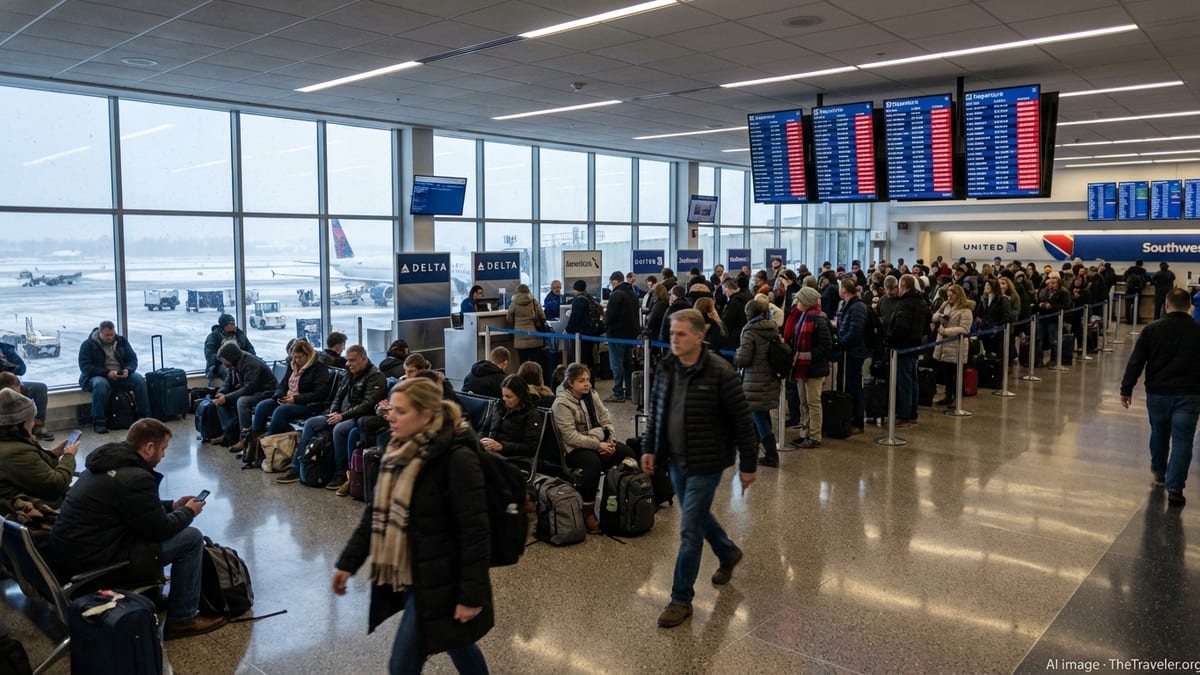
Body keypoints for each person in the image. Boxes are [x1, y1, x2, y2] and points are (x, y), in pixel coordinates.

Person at [333, 379, 492, 674]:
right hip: (412, 570)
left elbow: (475, 532)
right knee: (457, 642)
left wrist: (471, 596)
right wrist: (348, 562)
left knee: (402, 666)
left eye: (401, 411)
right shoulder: (397, 451)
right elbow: (376, 513)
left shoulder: (457, 458)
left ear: (427, 416)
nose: (390, 416)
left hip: (442, 578)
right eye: (392, 409)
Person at [46, 419, 226, 640]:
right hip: (96, 564)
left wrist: (172, 506)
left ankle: (157, 594)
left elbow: (137, 508)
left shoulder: (108, 464)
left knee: (161, 530)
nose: (163, 456)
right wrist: (189, 512)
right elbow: (160, 529)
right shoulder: (136, 477)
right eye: (163, 449)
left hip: (74, 556)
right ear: (149, 447)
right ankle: (183, 619)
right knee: (191, 538)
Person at [640, 309, 757, 628]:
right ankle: (728, 551)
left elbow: (743, 422)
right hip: (675, 460)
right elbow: (656, 413)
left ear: (698, 336)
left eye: (680, 334)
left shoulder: (721, 373)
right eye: (671, 334)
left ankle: (681, 599)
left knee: (689, 529)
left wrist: (748, 464)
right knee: (698, 515)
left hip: (707, 462)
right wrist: (648, 448)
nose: (673, 339)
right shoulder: (666, 368)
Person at [1120, 288, 1200, 508]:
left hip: (1157, 392)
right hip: (1189, 394)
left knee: (1159, 432)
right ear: (1189, 306)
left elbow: (1137, 361)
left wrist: (1126, 388)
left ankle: (1159, 472)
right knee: (1183, 440)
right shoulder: (1197, 330)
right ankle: (1175, 489)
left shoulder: (1152, 329)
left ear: (1166, 305)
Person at [276, 345, 388, 492]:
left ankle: (341, 473)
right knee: (311, 423)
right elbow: (338, 396)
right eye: (347, 360)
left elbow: (367, 405)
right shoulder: (350, 373)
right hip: (340, 413)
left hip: (359, 416)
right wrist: (334, 410)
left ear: (364, 359)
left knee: (339, 430)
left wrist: (342, 416)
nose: (348, 364)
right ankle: (297, 467)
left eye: (352, 361)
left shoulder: (376, 377)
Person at [551, 363, 636, 534]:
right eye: (581, 381)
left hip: (598, 440)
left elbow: (606, 419)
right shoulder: (561, 404)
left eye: (588, 380)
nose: (587, 384)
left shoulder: (592, 395)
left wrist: (610, 441)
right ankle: (587, 511)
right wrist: (599, 444)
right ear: (570, 383)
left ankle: (618, 498)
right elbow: (571, 437)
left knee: (627, 453)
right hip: (573, 449)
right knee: (593, 463)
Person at [246, 340, 331, 467]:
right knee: (262, 407)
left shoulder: (318, 368)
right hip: (289, 400)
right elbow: (282, 385)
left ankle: (268, 446)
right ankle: (256, 444)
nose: (297, 360)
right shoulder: (293, 366)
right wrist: (279, 396)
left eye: (299, 357)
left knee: (280, 412)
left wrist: (296, 399)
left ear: (308, 355)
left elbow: (320, 393)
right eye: (294, 357)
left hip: (307, 404)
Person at [0, 388, 78, 517]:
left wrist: (54, 453)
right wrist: (69, 456)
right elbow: (56, 486)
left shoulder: (12, 442)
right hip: (38, 510)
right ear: (16, 426)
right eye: (30, 419)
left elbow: (34, 469)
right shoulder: (17, 453)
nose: (33, 423)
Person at [78, 320, 150, 434]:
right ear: (99, 332)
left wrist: (128, 370)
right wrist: (106, 373)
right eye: (107, 335)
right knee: (100, 385)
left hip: (120, 373)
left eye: (112, 334)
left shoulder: (121, 341)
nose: (110, 337)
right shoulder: (88, 345)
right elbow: (85, 367)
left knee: (139, 380)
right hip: (98, 375)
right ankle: (99, 421)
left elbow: (132, 359)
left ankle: (145, 418)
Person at [784, 287, 833, 448]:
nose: (796, 302)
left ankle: (815, 436)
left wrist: (807, 355)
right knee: (803, 402)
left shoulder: (818, 319)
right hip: (802, 366)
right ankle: (805, 432)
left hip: (814, 368)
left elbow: (826, 346)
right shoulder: (803, 316)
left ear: (806, 302)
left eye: (799, 300)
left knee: (813, 402)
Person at [735, 299, 781, 467]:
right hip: (769, 376)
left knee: (758, 415)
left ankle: (771, 455)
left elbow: (744, 359)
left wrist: (737, 352)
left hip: (754, 379)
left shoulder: (750, 331)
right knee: (762, 413)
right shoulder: (772, 327)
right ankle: (755, 449)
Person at [213, 342, 278, 451]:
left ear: (230, 358)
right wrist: (222, 392)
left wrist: (227, 398)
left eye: (224, 360)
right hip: (255, 391)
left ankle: (245, 438)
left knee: (242, 401)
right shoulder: (234, 363)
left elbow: (250, 388)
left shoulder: (250, 363)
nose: (223, 363)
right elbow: (228, 381)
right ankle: (229, 433)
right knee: (221, 400)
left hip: (267, 392)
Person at [886, 275, 932, 429]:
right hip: (915, 345)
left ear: (904, 286)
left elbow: (901, 326)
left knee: (904, 382)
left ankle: (905, 415)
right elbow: (927, 321)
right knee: (913, 380)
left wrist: (889, 339)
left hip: (903, 347)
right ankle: (912, 413)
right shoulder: (920, 301)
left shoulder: (905, 303)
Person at [479, 375, 542, 461]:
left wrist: (502, 446)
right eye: (503, 395)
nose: (504, 399)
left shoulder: (531, 415)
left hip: (509, 456)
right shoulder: (499, 406)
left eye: (509, 397)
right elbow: (484, 429)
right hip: (491, 451)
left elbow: (530, 448)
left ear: (520, 396)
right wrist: (481, 441)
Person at [931, 284, 974, 409]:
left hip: (956, 345)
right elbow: (934, 317)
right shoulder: (946, 305)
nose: (949, 298)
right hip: (944, 345)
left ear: (958, 296)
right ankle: (948, 395)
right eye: (948, 295)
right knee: (947, 373)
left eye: (951, 295)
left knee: (955, 374)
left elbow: (964, 329)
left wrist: (946, 332)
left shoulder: (966, 311)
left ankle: (956, 398)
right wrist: (940, 314)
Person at [0, 340, 53, 441]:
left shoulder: (6, 348)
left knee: (40, 388)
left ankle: (37, 425)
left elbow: (22, 369)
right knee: (8, 391)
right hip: (3, 385)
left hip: (13, 382)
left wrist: (7, 363)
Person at [836, 279, 869, 435]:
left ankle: (858, 421)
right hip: (847, 352)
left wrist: (842, 343)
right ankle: (846, 418)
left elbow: (856, 331)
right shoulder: (847, 305)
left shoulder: (857, 307)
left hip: (854, 352)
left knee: (854, 386)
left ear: (844, 290)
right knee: (847, 386)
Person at [604, 271, 640, 403]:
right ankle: (630, 391)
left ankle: (618, 392)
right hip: (630, 335)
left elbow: (611, 316)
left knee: (616, 364)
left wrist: (604, 322)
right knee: (628, 364)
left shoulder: (616, 295)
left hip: (617, 335)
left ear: (614, 281)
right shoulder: (632, 293)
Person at [203, 313, 255, 387]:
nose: (233, 326)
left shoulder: (239, 334)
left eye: (234, 323)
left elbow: (250, 348)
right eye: (230, 324)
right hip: (220, 365)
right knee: (230, 371)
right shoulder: (213, 336)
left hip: (241, 361)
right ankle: (232, 392)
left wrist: (252, 358)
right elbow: (209, 355)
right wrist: (224, 359)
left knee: (256, 367)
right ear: (224, 325)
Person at [506, 283, 547, 369]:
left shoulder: (514, 303)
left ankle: (524, 380)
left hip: (520, 336)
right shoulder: (533, 301)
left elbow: (508, 318)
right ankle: (537, 380)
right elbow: (543, 316)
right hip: (535, 336)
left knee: (523, 363)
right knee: (536, 364)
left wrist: (515, 324)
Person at [563, 280, 596, 369]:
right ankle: (590, 380)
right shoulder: (589, 298)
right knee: (589, 358)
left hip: (580, 334)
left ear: (575, 289)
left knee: (579, 358)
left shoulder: (578, 301)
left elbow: (575, 318)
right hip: (590, 332)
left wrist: (567, 329)